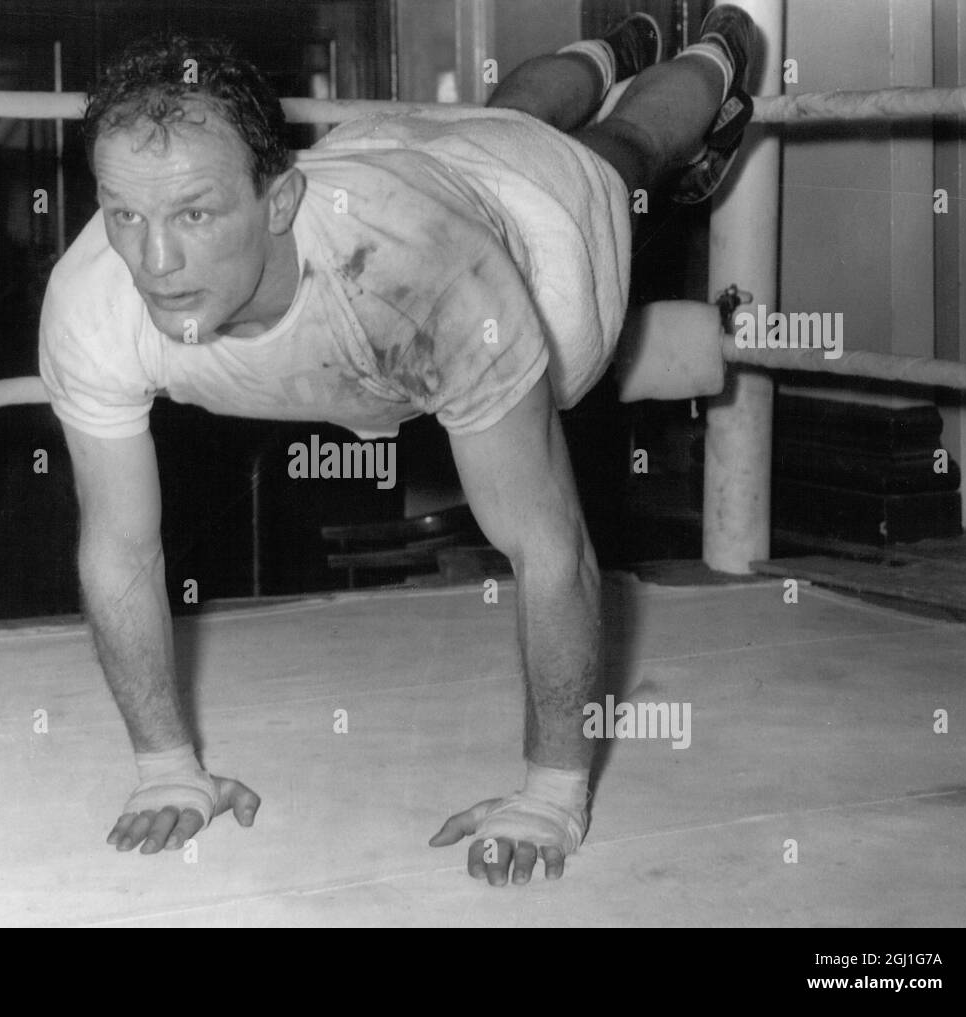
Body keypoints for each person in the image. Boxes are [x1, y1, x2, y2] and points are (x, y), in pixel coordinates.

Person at [39, 7, 758, 887]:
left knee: (619, 151)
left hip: (529, 247)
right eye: (124, 213)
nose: (154, 260)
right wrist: (165, 765)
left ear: (280, 203)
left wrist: (552, 790)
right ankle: (612, 48)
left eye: (193, 213)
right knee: (501, 116)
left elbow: (547, 543)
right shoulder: (92, 299)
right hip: (385, 155)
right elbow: (118, 544)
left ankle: (723, 48)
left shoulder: (430, 279)